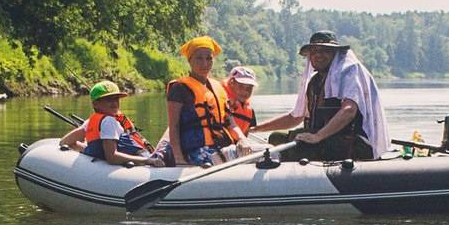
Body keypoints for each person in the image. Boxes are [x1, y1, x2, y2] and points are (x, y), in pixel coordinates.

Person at [253, 30, 388, 162]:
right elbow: (295, 117)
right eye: (314, 51)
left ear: (336, 54)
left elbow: (349, 110)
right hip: (324, 139)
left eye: (325, 50)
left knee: (300, 146)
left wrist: (318, 136)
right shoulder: (314, 82)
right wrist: (256, 128)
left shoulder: (349, 73)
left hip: (352, 141)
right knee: (276, 138)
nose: (319, 55)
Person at [163, 36, 242, 166]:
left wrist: (243, 140)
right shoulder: (179, 88)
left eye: (209, 58)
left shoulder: (218, 88)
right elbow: (174, 127)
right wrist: (179, 159)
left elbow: (231, 123)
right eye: (199, 58)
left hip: (222, 147)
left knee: (266, 151)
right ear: (190, 60)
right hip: (196, 151)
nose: (204, 64)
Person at [60, 80, 158, 166]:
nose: (114, 103)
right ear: (95, 104)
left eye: (116, 99)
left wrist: (85, 148)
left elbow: (64, 142)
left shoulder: (90, 122)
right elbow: (112, 157)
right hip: (140, 157)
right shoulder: (109, 121)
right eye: (109, 99)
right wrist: (147, 160)